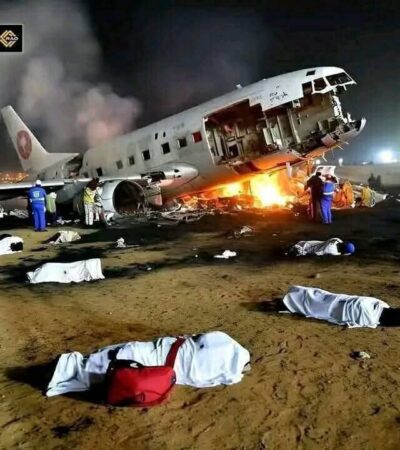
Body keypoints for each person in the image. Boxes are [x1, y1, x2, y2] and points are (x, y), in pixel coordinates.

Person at [45, 331, 251, 397]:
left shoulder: (222, 340)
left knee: (106, 360)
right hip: (159, 362)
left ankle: (68, 370)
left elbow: (197, 339)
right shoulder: (222, 375)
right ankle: (72, 371)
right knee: (105, 364)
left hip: (151, 354)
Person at [267, 285, 400, 328]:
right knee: (318, 307)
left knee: (321, 297)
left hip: (364, 304)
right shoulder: (373, 321)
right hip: (361, 312)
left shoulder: (382, 304)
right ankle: (286, 304)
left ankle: (289, 301)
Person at [287, 238, 355, 256]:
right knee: (296, 251)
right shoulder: (332, 251)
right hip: (303, 249)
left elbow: (339, 240)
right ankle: (291, 249)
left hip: (305, 243)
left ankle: (291, 248)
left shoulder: (334, 240)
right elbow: (340, 254)